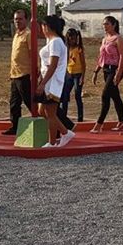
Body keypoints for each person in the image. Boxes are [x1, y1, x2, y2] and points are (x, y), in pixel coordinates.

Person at [37, 15, 74, 147]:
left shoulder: (56, 42)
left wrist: (42, 83)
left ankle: (52, 142)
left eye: (42, 26)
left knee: (50, 113)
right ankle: (65, 132)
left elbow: (53, 65)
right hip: (48, 80)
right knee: (42, 111)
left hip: (52, 82)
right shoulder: (52, 41)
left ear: (47, 26)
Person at [90, 16, 123, 133]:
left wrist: (119, 72)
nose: (104, 26)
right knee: (115, 96)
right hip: (106, 70)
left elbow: (122, 56)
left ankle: (99, 123)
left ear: (113, 25)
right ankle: (122, 121)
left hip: (114, 70)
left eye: (107, 24)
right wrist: (96, 71)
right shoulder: (104, 39)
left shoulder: (118, 39)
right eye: (103, 24)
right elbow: (102, 57)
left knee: (105, 95)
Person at [3, 9, 34, 136]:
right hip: (15, 74)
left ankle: (46, 123)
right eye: (16, 19)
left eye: (20, 19)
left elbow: (32, 54)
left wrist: (33, 72)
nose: (17, 21)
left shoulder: (28, 34)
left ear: (26, 20)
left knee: (29, 102)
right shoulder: (16, 35)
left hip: (25, 74)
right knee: (14, 103)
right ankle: (15, 126)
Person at [60, 28, 86, 123]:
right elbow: (65, 62)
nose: (72, 41)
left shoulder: (79, 49)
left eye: (74, 39)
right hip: (69, 74)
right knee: (65, 96)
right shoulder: (66, 49)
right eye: (70, 39)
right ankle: (63, 117)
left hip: (78, 75)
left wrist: (82, 77)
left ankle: (80, 118)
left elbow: (83, 64)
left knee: (77, 95)